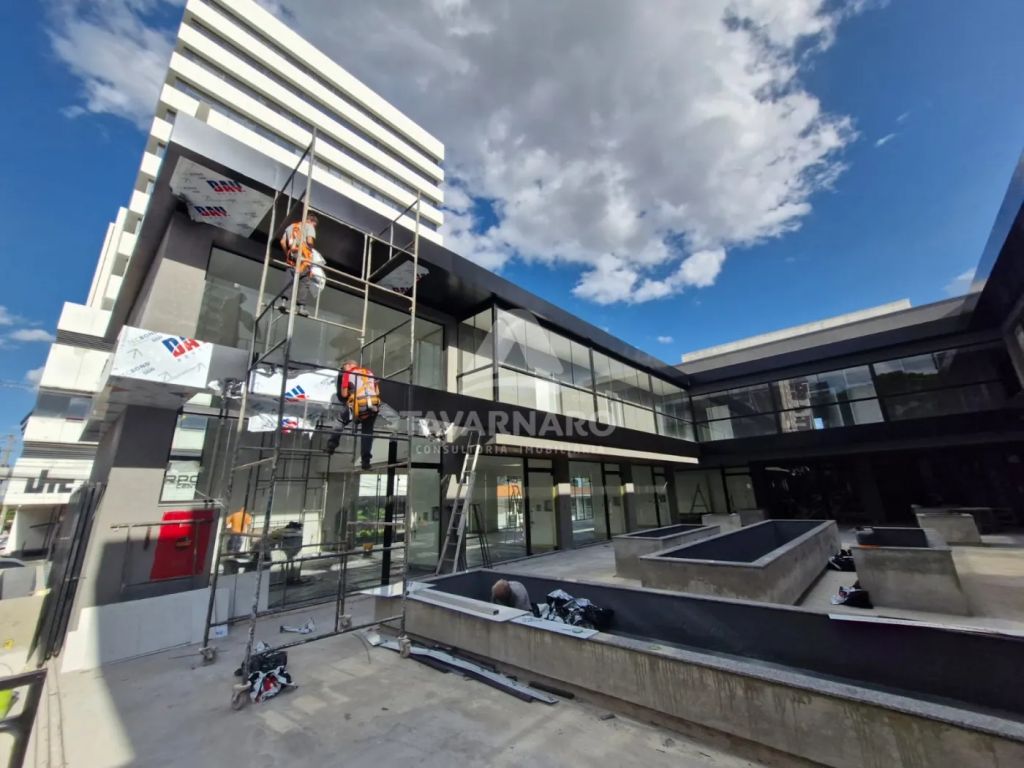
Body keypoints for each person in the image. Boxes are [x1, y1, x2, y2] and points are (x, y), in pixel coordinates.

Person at [326, 360, 381, 470]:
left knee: (340, 421)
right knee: (367, 432)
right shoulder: (369, 372)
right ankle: (366, 461)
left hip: (359, 404)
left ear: (349, 365)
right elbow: (377, 392)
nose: (343, 370)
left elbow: (344, 394)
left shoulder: (348, 373)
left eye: (343, 367)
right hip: (374, 405)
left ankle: (331, 445)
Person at [278, 212, 318, 317]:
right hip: (303, 258)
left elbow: (282, 242)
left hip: (292, 257)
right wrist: (312, 250)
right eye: (314, 225)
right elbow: (309, 241)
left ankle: (283, 303)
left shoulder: (291, 226)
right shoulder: (309, 226)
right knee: (304, 281)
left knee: (289, 279)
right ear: (311, 221)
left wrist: (288, 253)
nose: (314, 227)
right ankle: (301, 308)